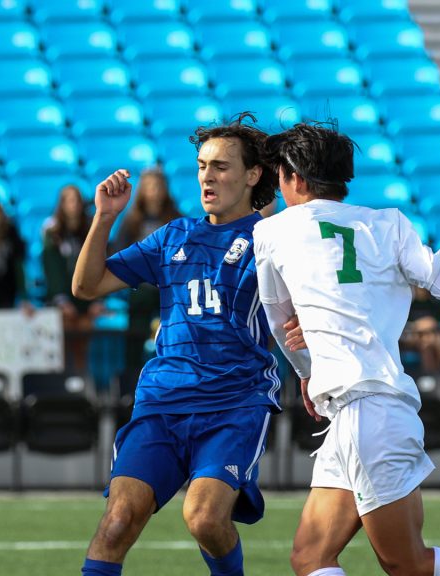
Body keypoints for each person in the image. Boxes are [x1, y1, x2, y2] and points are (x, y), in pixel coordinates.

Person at [254, 122, 440, 576]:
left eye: (280, 174)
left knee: (407, 564)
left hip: (363, 411)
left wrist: (305, 369)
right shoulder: (389, 222)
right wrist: (417, 275)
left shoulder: (273, 231)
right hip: (367, 409)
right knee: (310, 558)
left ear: (295, 178)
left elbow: (279, 321)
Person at [72, 114, 282, 576]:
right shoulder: (173, 236)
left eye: (222, 166)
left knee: (205, 518)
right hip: (162, 402)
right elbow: (86, 287)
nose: (208, 175)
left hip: (234, 403)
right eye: (202, 165)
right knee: (117, 522)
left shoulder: (273, 242)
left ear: (253, 175)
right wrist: (104, 217)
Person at [111, 167, 182, 373]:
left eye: (158, 186)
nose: (154, 191)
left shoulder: (176, 218)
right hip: (140, 289)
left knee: (174, 337)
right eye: (150, 186)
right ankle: (131, 381)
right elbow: (119, 253)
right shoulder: (132, 221)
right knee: (134, 339)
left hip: (169, 290)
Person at [42, 183, 103, 372]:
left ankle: (84, 381)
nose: (73, 204)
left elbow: (101, 261)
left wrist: (97, 299)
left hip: (87, 296)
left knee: (85, 333)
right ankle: (64, 381)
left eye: (76, 199)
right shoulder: (52, 233)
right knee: (65, 330)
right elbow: (52, 269)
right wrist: (61, 300)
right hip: (62, 298)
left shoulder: (91, 229)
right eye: (69, 200)